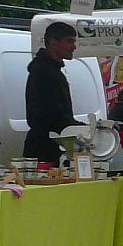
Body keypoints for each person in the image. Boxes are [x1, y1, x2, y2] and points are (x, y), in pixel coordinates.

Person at [23, 21, 82, 164]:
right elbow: (55, 115)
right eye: (69, 41)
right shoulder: (45, 73)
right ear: (53, 43)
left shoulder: (50, 71)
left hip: (49, 145)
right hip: (45, 149)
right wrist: (83, 129)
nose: (74, 47)